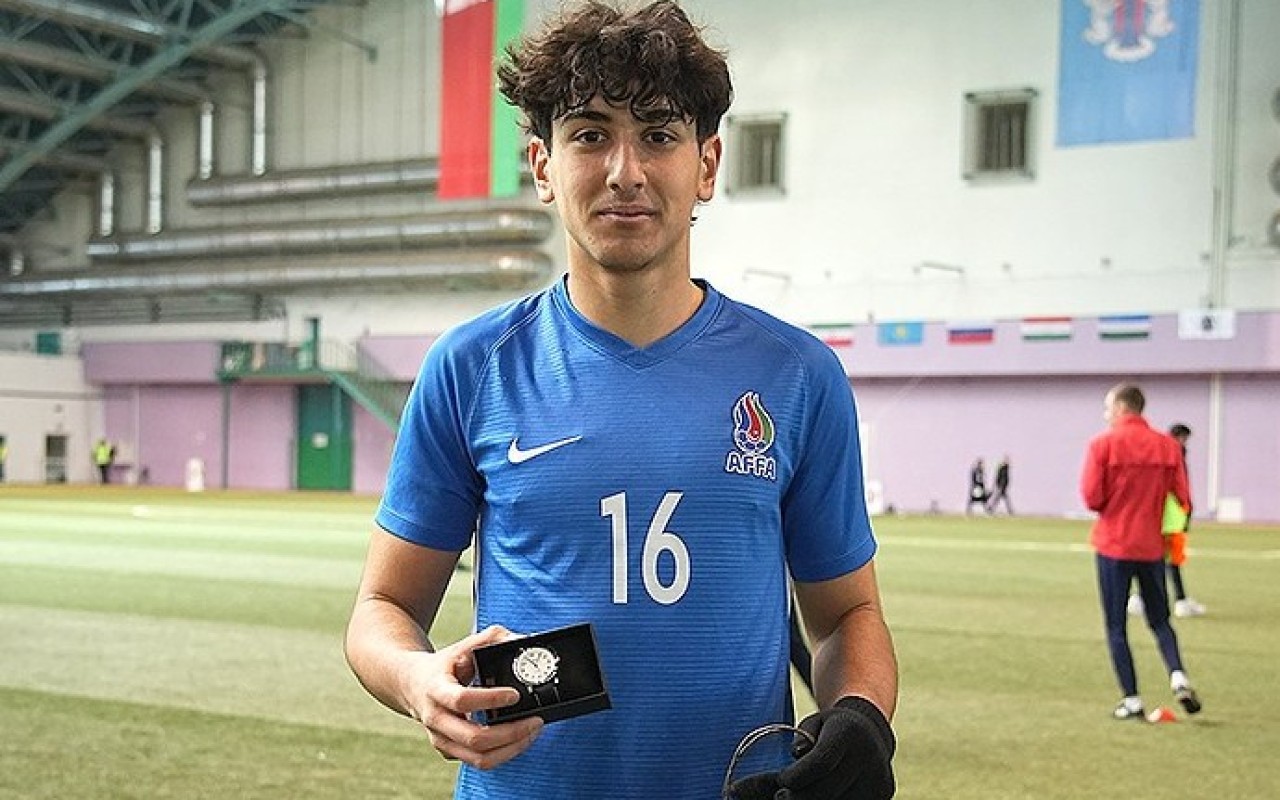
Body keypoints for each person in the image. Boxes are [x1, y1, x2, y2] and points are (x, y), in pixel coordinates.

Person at [344, 3, 898, 799]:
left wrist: (860, 717)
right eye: (590, 135)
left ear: (707, 165)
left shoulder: (797, 375)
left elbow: (847, 615)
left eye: (659, 135)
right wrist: (415, 678)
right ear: (543, 166)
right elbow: (383, 605)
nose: (624, 171)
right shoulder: (470, 368)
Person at [1080, 383, 1201, 720]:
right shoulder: (1168, 447)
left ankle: (1132, 699)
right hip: (1151, 547)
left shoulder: (1101, 445)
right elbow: (1182, 498)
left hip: (1114, 545)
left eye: (1108, 408)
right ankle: (1178, 675)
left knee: (1116, 626)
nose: (1106, 415)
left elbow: (1091, 497)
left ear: (1121, 407)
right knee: (1160, 620)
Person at [1126, 423, 1206, 618]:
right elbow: (1179, 488)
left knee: (1157, 558)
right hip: (1170, 516)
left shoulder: (1161, 454)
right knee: (1169, 559)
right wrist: (1186, 510)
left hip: (1163, 515)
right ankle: (1178, 600)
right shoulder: (1172, 456)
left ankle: (1143, 597)